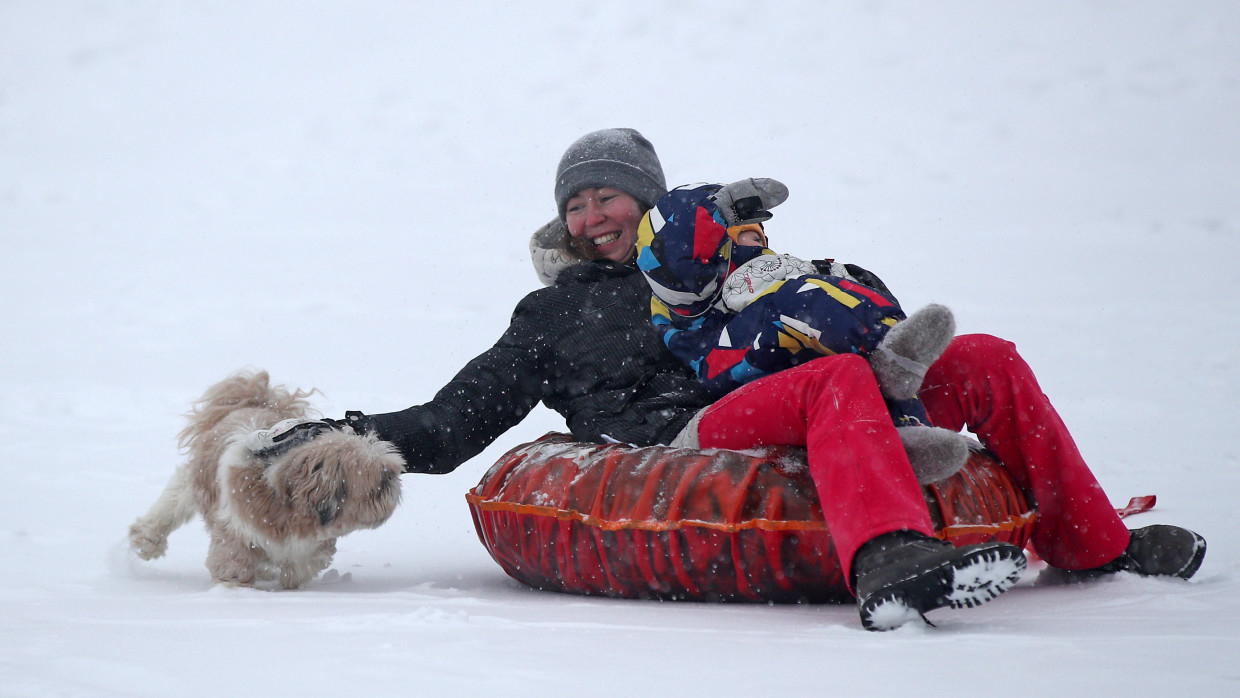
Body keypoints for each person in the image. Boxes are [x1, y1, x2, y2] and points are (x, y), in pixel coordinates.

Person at [254, 128, 1206, 631]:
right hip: (684, 440)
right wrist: (336, 431)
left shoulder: (711, 265)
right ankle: (887, 563)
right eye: (575, 204)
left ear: (650, 199)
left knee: (983, 356)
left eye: (608, 196)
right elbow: (454, 420)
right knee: (834, 381)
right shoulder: (551, 318)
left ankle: (1094, 544)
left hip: (788, 388)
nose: (592, 217)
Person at [634, 179, 970, 484]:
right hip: (723, 358)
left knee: (859, 361)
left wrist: (847, 277)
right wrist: (711, 210)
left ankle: (907, 435)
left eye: (755, 236)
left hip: (792, 362)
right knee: (804, 299)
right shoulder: (686, 299)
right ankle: (888, 348)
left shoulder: (784, 271)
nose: (749, 244)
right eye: (735, 236)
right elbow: (669, 250)